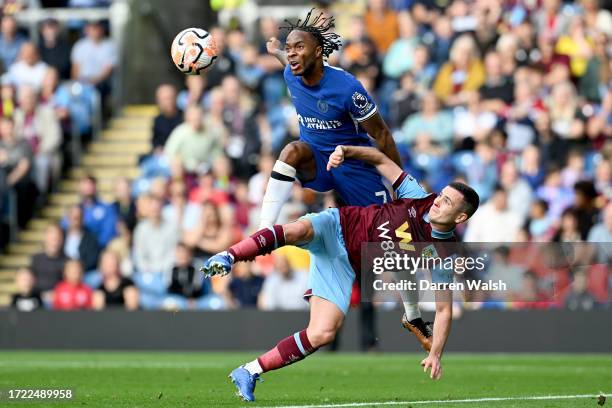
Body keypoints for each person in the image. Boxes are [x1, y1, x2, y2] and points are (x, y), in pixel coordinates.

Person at [203, 144, 479, 402]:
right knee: (298, 230)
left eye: (447, 202)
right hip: (338, 225)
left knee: (323, 333)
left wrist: (436, 353)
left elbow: (444, 310)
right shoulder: (418, 197)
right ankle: (229, 256)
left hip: (343, 266)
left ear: (460, 218)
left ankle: (249, 371)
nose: (437, 202)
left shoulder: (444, 254)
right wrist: (346, 151)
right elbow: (381, 158)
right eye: (441, 195)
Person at [260, 9, 402, 229]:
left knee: (384, 232)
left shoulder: (348, 88)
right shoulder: (291, 73)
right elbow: (285, 61)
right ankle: (265, 227)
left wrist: (399, 182)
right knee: (291, 151)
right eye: (289, 49)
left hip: (352, 164)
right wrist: (276, 50)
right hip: (316, 159)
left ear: (318, 51)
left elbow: (381, 134)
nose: (291, 54)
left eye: (299, 47)